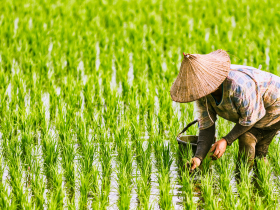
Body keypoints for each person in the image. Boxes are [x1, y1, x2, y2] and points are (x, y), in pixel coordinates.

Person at [170, 50, 280, 171]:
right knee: (259, 154)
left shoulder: (237, 86)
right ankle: (254, 183)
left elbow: (249, 119)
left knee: (247, 137)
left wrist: (226, 140)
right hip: (260, 108)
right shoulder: (202, 95)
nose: (200, 90)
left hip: (276, 104)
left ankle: (243, 181)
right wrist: (198, 157)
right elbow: (207, 127)